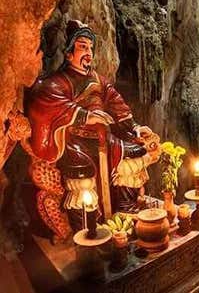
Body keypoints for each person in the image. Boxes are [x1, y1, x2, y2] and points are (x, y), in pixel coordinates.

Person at [24, 20, 161, 242]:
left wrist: (135, 127)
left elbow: (117, 106)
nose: (88, 53)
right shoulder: (59, 81)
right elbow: (47, 102)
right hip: (73, 140)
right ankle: (85, 224)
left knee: (135, 150)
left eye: (90, 48)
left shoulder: (99, 80)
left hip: (104, 139)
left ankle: (124, 207)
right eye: (82, 46)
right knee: (82, 171)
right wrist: (86, 116)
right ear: (69, 53)